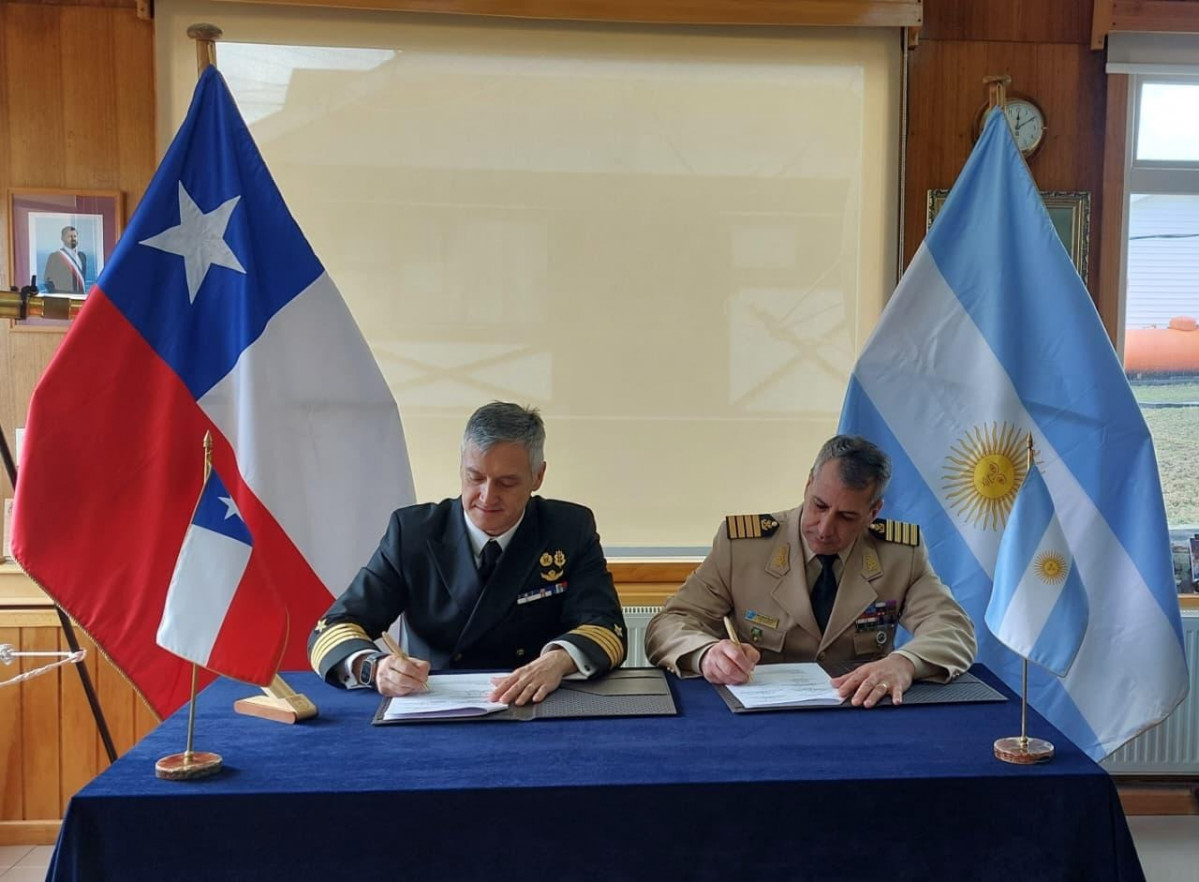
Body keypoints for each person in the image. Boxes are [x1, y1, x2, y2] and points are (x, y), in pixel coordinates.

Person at [308, 401, 627, 706]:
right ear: (461, 466)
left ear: (538, 477)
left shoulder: (568, 529)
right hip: (435, 704)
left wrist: (560, 659)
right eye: (475, 477)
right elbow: (334, 627)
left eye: (506, 483)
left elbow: (605, 626)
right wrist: (374, 668)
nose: (487, 496)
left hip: (536, 702)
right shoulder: (413, 533)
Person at [646, 434, 975, 707]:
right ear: (808, 484)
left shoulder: (899, 554)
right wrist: (707, 654)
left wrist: (905, 664)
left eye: (846, 517)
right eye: (819, 505)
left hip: (859, 710)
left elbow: (953, 629)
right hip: (764, 714)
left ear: (873, 512)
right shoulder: (744, 547)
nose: (825, 528)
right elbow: (669, 623)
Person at [43, 226, 88, 294]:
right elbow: (47, 280)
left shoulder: (82, 256)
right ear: (62, 238)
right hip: (63, 297)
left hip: (79, 297)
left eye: (75, 236)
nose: (73, 239)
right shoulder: (55, 256)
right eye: (70, 236)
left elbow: (83, 279)